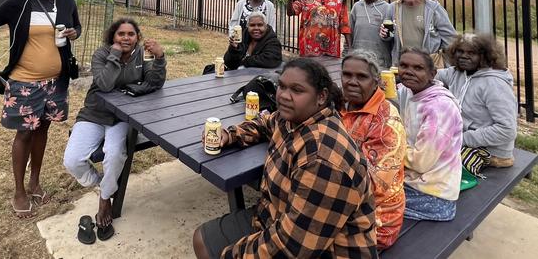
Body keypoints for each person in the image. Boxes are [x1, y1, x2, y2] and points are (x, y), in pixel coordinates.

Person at [193, 58, 377, 259]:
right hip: (275, 216)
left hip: (324, 249)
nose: (284, 96)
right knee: (202, 239)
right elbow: (265, 122)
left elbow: (293, 247)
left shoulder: (324, 159)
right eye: (281, 86)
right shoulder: (292, 118)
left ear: (321, 96)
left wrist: (232, 255)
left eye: (297, 90)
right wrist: (231, 135)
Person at [0, 0, 81, 218]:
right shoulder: (19, 1)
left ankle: (35, 182)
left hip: (56, 82)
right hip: (24, 82)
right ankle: (19, 190)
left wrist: (73, 33)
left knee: (42, 130)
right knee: (24, 133)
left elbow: (77, 27)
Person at [64, 18, 166, 240]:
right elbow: (105, 84)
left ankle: (104, 200)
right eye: (121, 34)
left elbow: (155, 82)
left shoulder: (142, 55)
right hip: (94, 112)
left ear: (137, 37)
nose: (126, 38)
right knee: (72, 160)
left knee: (115, 154)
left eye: (131, 34)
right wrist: (115, 54)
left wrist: (159, 57)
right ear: (113, 37)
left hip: (122, 117)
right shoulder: (102, 54)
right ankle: (104, 185)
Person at [340, 49, 406, 249]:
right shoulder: (341, 104)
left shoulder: (386, 121)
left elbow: (373, 183)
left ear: (376, 81)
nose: (352, 81)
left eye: (361, 77)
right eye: (347, 75)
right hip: (343, 206)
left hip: (374, 221)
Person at [397, 48, 463, 221]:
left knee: (360, 197)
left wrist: (387, 149)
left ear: (432, 74)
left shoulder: (439, 107)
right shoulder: (410, 92)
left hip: (432, 196)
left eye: (418, 68)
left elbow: (420, 162)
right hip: (414, 181)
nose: (409, 72)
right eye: (403, 65)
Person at [437, 33, 517, 167]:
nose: (463, 56)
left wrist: (462, 139)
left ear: (484, 56)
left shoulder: (494, 84)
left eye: (471, 53)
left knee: (434, 162)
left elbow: (507, 130)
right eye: (460, 51)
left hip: (490, 152)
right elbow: (431, 75)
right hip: (462, 141)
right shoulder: (458, 73)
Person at [380, 0, 456, 67]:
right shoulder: (392, 8)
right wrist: (385, 35)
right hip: (403, 64)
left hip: (429, 64)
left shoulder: (433, 9)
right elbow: (388, 37)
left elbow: (450, 39)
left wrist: (451, 66)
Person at [287, 0, 351, 57]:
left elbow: (345, 25)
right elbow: (291, 12)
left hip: (331, 48)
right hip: (309, 48)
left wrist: (350, 49)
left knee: (330, 70)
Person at [348, 0, 392, 68]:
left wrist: (387, 35)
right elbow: (349, 32)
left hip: (379, 62)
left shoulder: (387, 8)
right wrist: (347, 53)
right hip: (358, 59)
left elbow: (391, 36)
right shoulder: (356, 7)